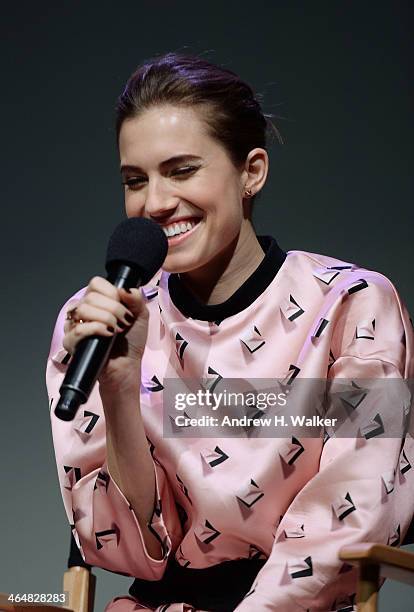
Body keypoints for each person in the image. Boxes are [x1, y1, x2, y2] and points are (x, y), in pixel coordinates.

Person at [46, 53, 414, 611]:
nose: (155, 203)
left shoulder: (350, 305)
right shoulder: (96, 319)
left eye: (182, 170)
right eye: (134, 180)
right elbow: (123, 551)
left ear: (252, 171)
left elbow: (352, 515)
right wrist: (118, 386)